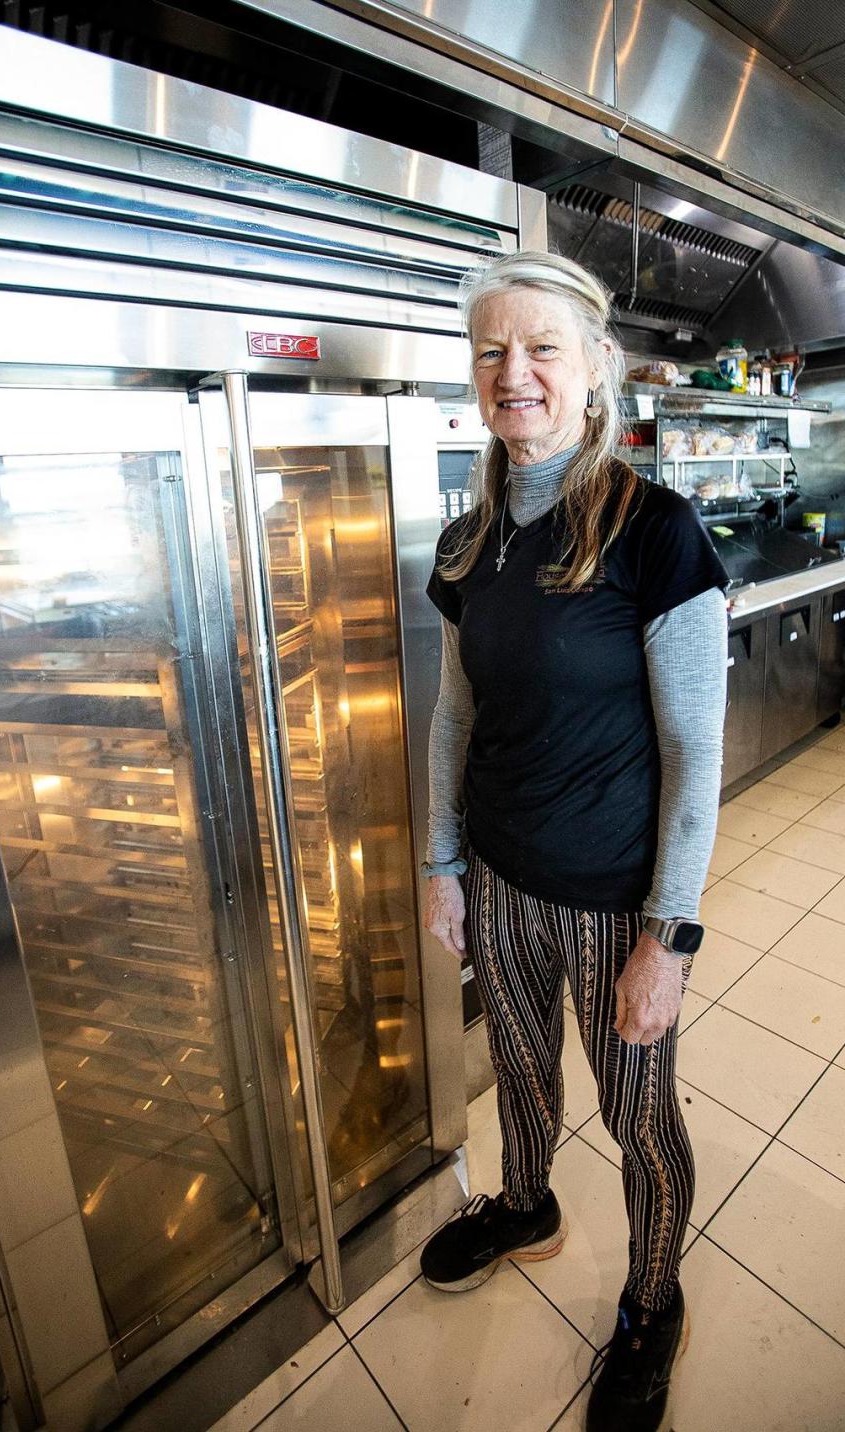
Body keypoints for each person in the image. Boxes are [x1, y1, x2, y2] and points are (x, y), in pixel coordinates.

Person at [419, 250, 728, 1432]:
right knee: (524, 1076)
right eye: (492, 349)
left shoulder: (657, 534)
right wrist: (444, 863)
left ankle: (652, 1303)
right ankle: (526, 1204)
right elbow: (458, 715)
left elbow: (696, 755)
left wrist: (671, 937)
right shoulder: (467, 543)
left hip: (614, 897)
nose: (515, 373)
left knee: (640, 1116)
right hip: (500, 880)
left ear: (596, 368)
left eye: (542, 346)